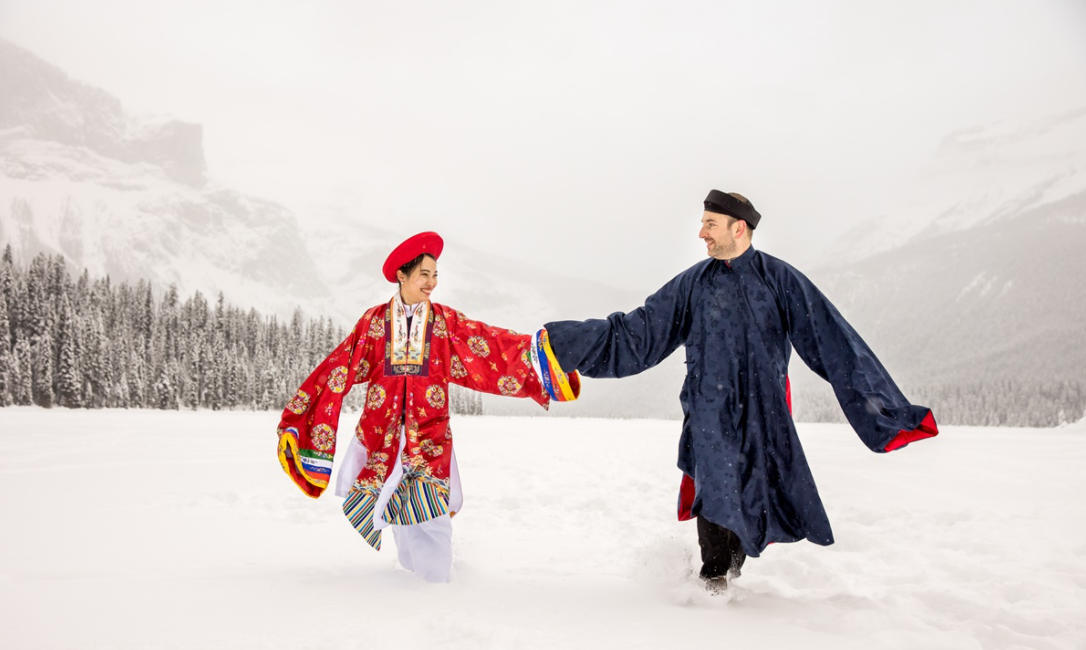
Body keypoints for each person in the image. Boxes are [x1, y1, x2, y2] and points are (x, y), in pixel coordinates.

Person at [537, 190, 939, 591]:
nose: (701, 233)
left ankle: (727, 575)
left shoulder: (780, 280)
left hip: (763, 412)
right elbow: (636, 335)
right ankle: (712, 583)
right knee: (715, 489)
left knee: (751, 494)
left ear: (738, 227)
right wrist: (561, 343)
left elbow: (833, 341)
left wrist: (884, 413)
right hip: (709, 411)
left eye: (709, 224)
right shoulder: (693, 284)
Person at [276, 231, 579, 582]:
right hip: (382, 439)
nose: (432, 283)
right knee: (397, 513)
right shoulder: (374, 323)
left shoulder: (445, 324)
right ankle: (413, 584)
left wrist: (540, 358)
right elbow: (338, 368)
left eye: (435, 275)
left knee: (431, 516)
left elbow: (489, 347)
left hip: (430, 437)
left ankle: (437, 590)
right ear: (401, 276)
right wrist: (301, 415)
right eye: (424, 274)